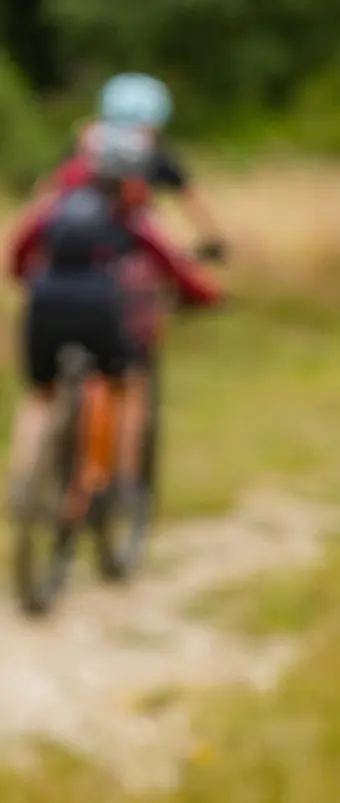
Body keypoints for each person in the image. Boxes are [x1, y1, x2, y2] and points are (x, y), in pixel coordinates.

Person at [9, 123, 223, 524]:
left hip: (44, 303)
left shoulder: (54, 206)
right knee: (123, 384)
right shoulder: (132, 218)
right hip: (102, 309)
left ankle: (23, 477)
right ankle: (116, 483)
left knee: (41, 394)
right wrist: (209, 296)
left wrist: (32, 279)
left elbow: (18, 254)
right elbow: (176, 266)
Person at [47, 73, 227, 259]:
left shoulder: (86, 144)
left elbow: (48, 193)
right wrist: (213, 240)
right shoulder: (155, 151)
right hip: (130, 246)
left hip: (74, 246)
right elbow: (190, 197)